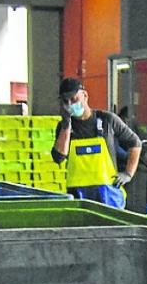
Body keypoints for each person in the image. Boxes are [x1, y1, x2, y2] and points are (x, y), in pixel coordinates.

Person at [51, 77, 141, 208]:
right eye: (66, 101)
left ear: (85, 95)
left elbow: (135, 143)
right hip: (78, 195)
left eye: (74, 99)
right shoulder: (64, 127)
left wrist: (128, 173)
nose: (70, 104)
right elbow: (58, 157)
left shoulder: (107, 120)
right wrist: (66, 127)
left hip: (108, 194)